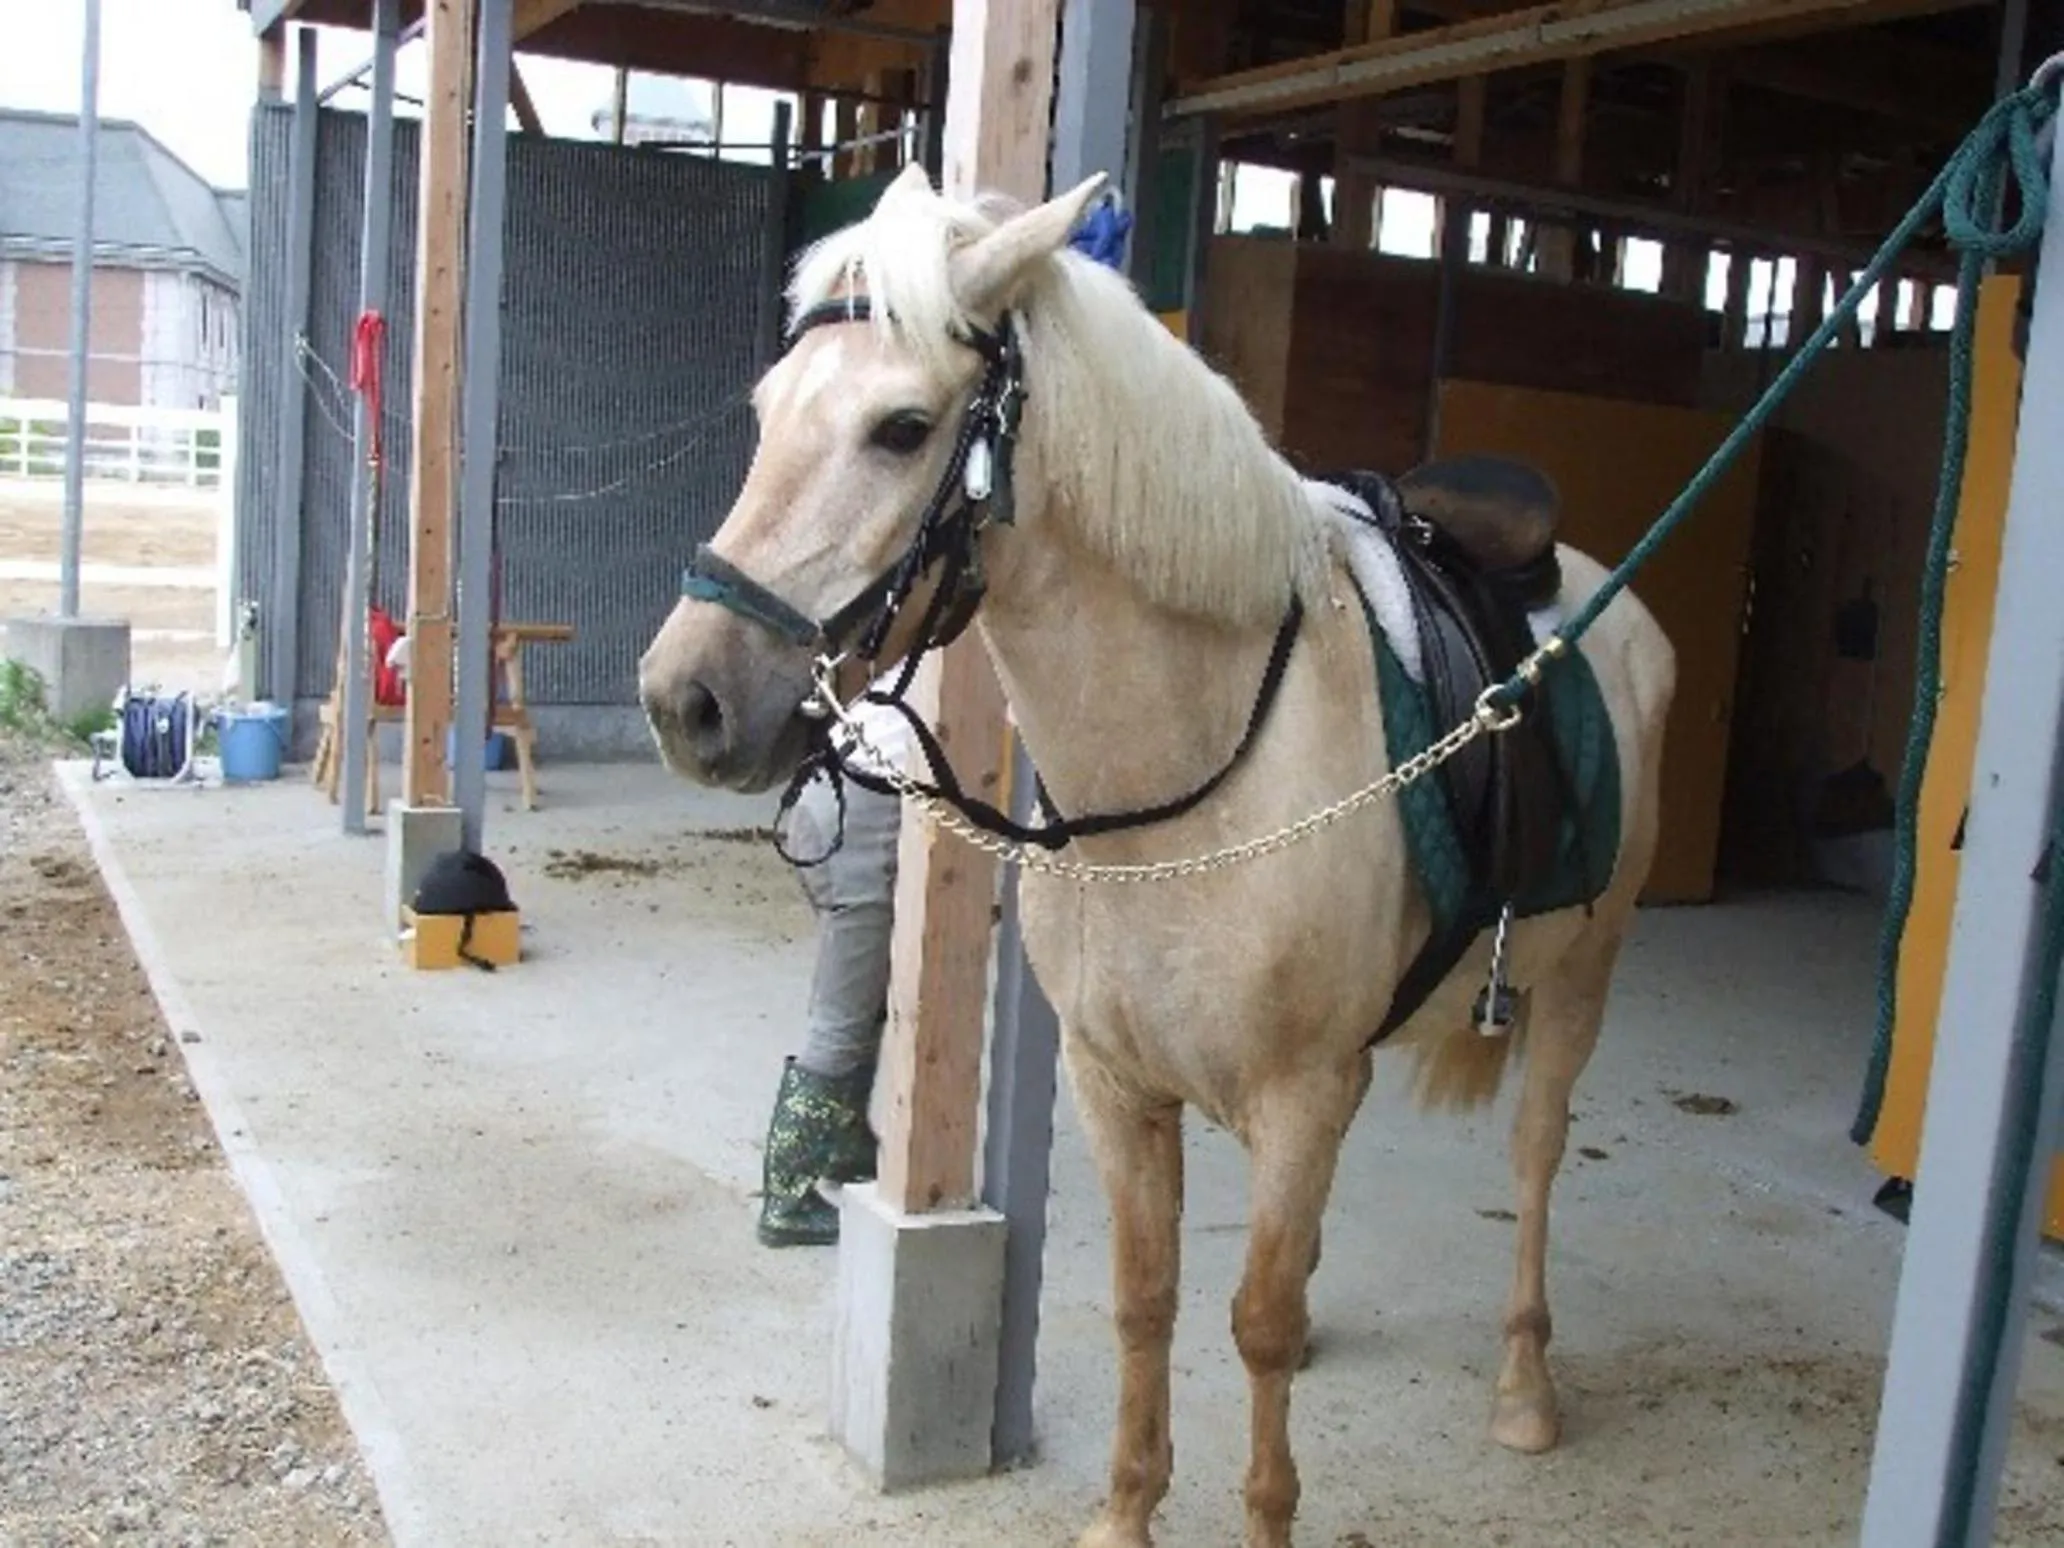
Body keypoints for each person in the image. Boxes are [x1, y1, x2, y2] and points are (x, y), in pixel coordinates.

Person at [755, 678, 910, 1247]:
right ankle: (786, 1199)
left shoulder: (932, 654)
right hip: (865, 824)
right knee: (844, 1018)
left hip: (823, 800)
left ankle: (843, 1144)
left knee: (860, 1003)